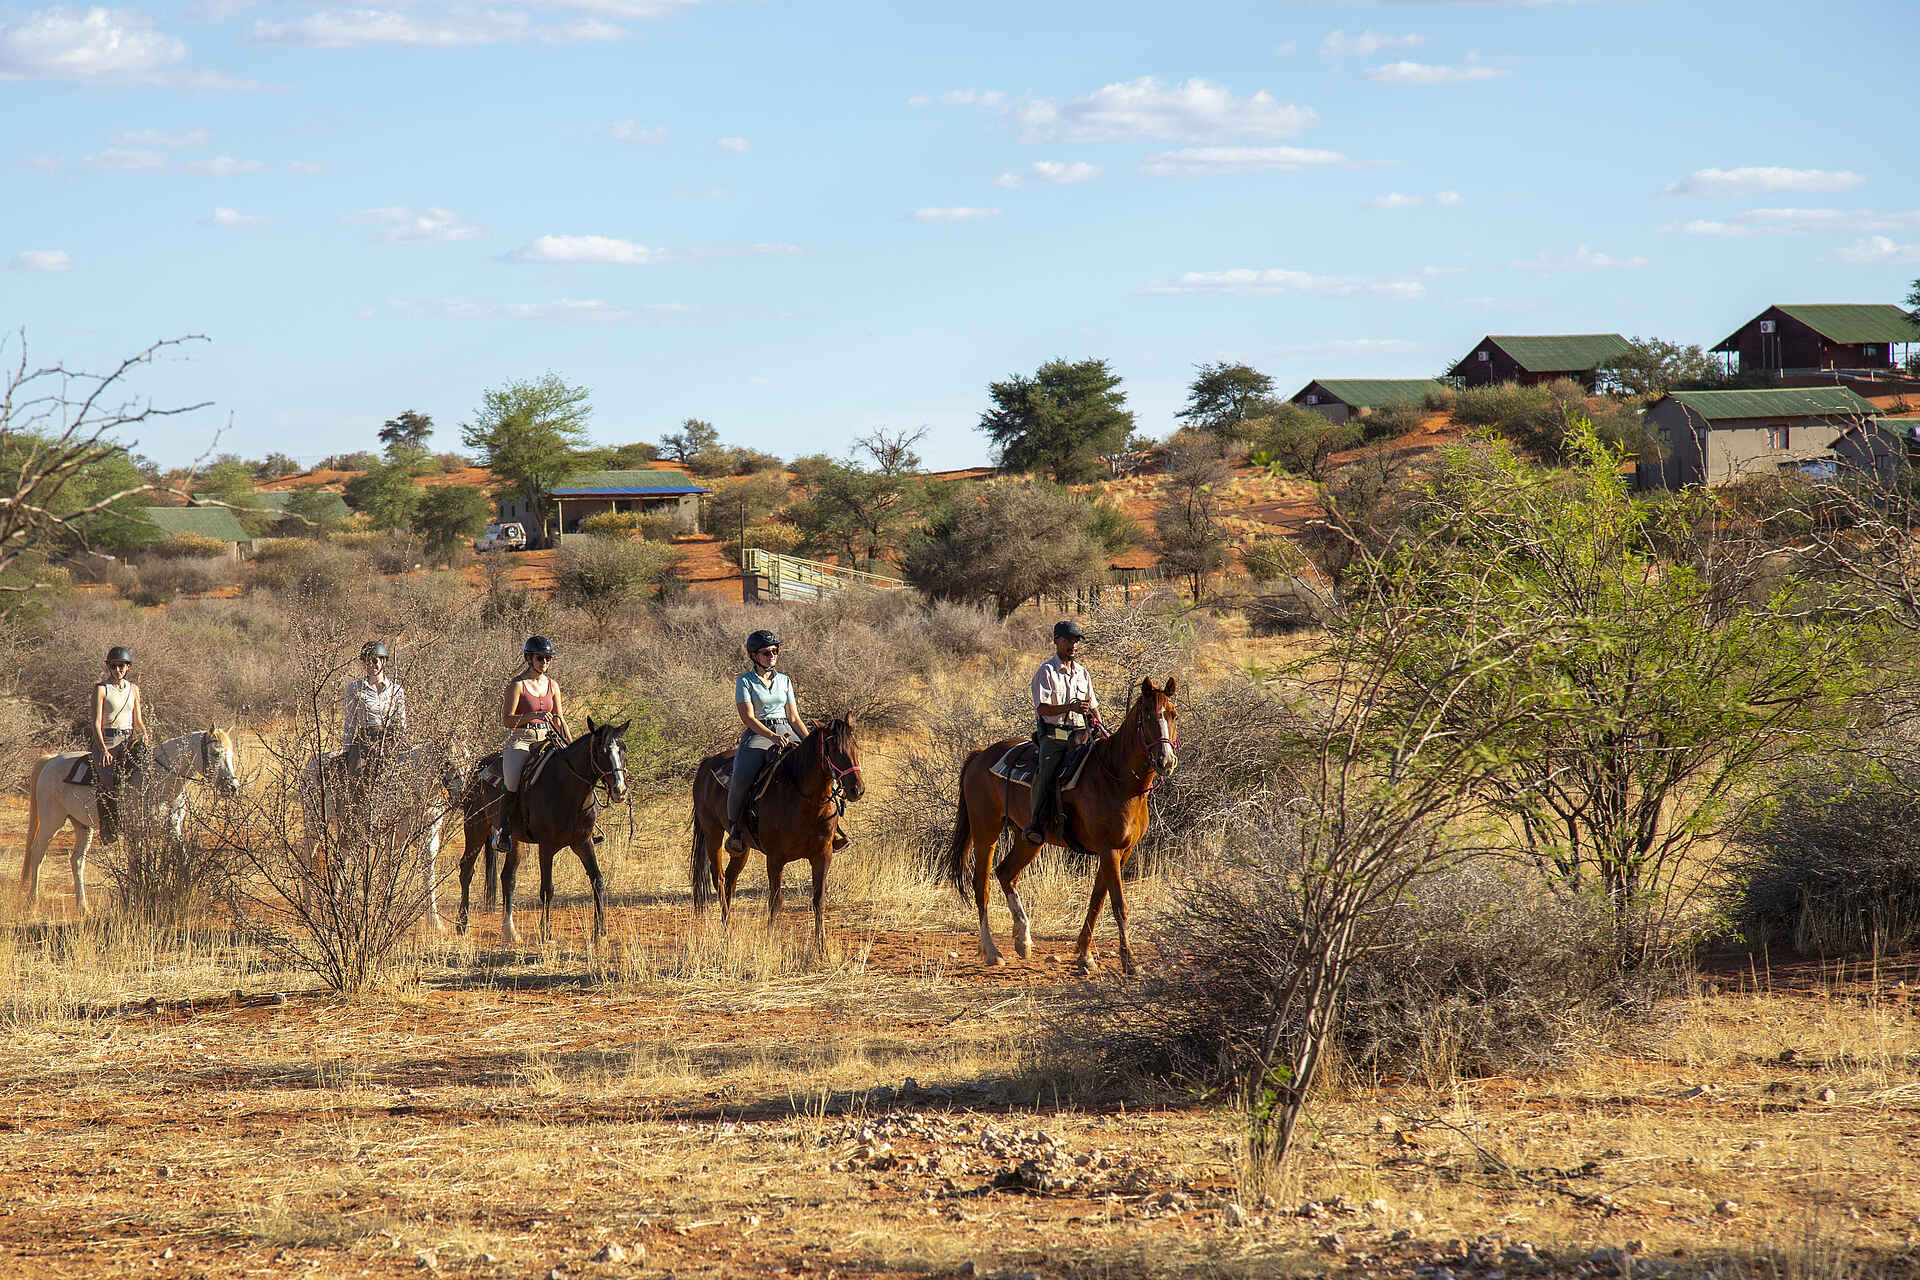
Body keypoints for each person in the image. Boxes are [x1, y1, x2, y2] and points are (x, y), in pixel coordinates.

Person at [725, 629, 808, 854]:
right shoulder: (744, 682)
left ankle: (832, 829)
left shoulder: (785, 680)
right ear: (754, 655)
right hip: (759, 733)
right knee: (741, 779)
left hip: (787, 729)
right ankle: (735, 830)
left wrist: (809, 742)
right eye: (766, 652)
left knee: (821, 765)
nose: (772, 655)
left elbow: (794, 717)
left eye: (775, 651)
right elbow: (748, 718)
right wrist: (771, 737)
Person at [1022, 619, 1098, 846]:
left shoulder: (1083, 673)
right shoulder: (1046, 671)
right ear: (1057, 641)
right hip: (1054, 735)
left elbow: (1093, 705)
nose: (1073, 646)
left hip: (1080, 733)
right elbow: (1042, 709)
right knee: (1046, 772)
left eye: (1076, 641)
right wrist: (1070, 708)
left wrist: (1101, 727)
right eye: (1068, 641)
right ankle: (1035, 823)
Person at [493, 635, 569, 851]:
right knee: (513, 781)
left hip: (548, 737)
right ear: (529, 658)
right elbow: (506, 720)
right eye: (540, 658)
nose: (544, 662)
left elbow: (559, 717)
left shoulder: (553, 685)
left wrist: (569, 742)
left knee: (574, 769)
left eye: (548, 658)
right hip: (521, 739)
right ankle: (504, 832)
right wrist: (532, 715)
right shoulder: (517, 685)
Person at [90, 645, 150, 844]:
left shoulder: (134, 689)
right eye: (114, 666)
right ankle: (108, 830)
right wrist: (103, 749)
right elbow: (96, 723)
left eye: (121, 666)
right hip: (107, 740)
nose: (118, 670)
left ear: (128, 667)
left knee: (149, 772)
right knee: (109, 782)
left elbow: (138, 720)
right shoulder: (101, 689)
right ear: (109, 667)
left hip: (128, 741)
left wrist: (145, 734)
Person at [342, 640, 407, 783]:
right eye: (366, 661)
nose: (370, 664)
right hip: (365, 741)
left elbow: (401, 721)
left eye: (374, 660)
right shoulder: (355, 688)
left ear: (383, 661)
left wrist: (401, 740)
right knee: (356, 776)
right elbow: (350, 721)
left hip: (389, 740)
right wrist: (346, 749)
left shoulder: (396, 690)